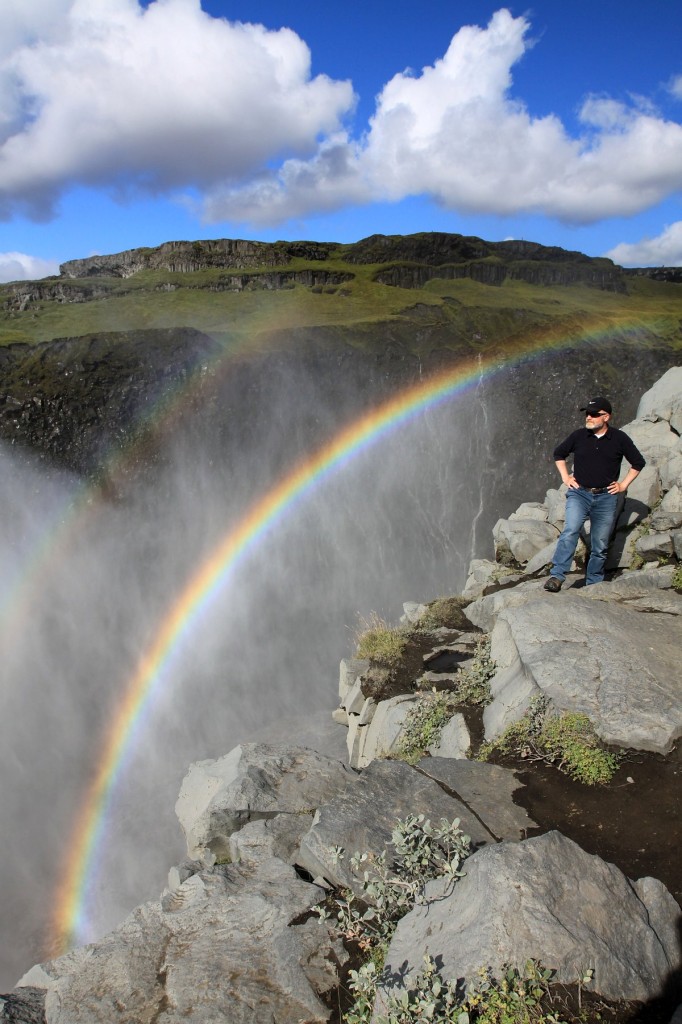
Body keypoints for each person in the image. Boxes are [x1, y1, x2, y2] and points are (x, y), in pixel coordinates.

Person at [544, 396, 645, 591]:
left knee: (600, 542)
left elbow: (638, 462)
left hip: (606, 497)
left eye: (593, 414)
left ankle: (593, 582)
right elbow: (559, 454)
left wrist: (623, 485)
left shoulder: (619, 438)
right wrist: (566, 477)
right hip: (579, 493)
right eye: (587, 414)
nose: (588, 417)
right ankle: (557, 576)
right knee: (571, 530)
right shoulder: (579, 436)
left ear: (606, 417)